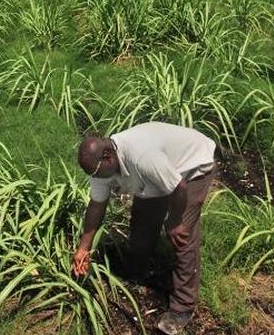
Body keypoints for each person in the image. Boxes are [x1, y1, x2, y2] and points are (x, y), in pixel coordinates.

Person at [71, 121, 216, 335]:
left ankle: (182, 308)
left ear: (108, 156)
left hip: (192, 168)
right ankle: (137, 271)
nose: (97, 179)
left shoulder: (142, 157)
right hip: (161, 175)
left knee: (181, 236)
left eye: (98, 174)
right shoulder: (100, 168)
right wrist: (84, 247)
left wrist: (175, 221)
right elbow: (96, 205)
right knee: (142, 225)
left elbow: (179, 187)